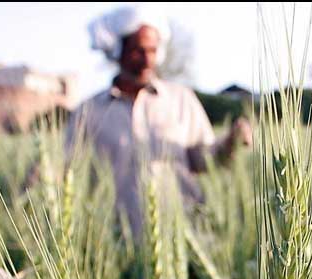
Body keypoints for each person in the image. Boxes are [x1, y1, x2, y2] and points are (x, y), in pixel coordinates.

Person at [64, 5, 252, 237]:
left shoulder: (181, 99)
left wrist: (229, 143)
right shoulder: (89, 111)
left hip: (186, 235)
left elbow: (204, 160)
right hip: (117, 242)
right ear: (117, 49)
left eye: (153, 50)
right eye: (137, 50)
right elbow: (69, 171)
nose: (147, 59)